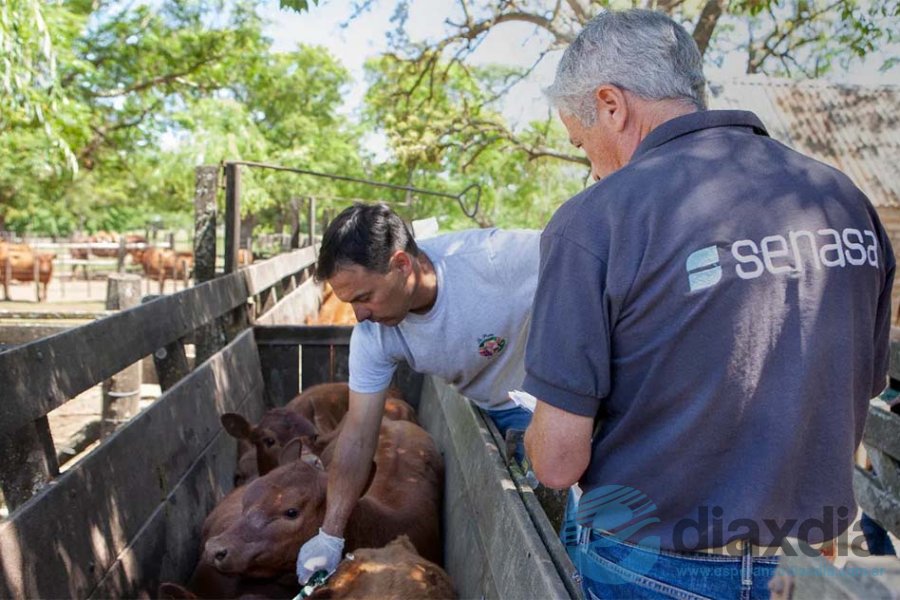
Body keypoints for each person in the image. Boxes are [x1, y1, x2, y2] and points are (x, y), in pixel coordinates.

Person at [522, 8, 894, 599]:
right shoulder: (842, 199)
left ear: (612, 105)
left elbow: (557, 463)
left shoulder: (594, 221)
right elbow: (859, 385)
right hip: (811, 569)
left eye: (581, 141)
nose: (591, 169)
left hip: (651, 566)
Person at [295, 202, 539, 584]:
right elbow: (358, 435)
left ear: (401, 264)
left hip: (561, 397)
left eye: (363, 297)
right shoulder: (374, 335)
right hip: (499, 410)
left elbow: (586, 260)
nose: (359, 315)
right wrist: (330, 534)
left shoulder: (497, 260)